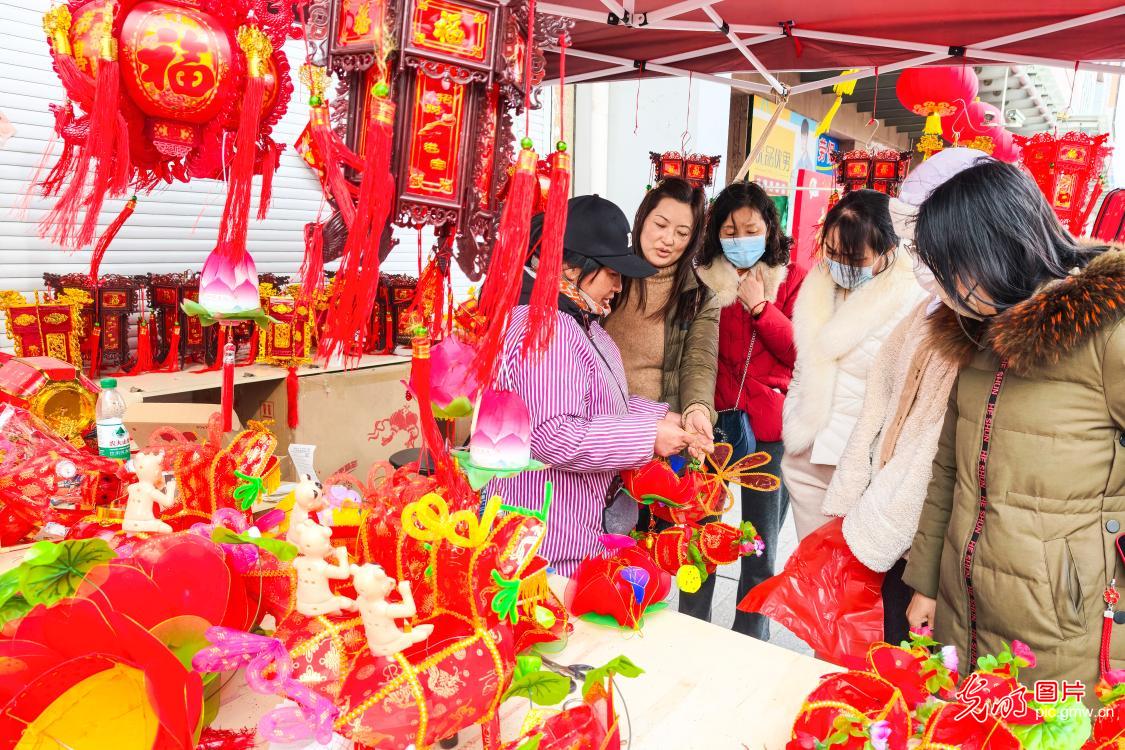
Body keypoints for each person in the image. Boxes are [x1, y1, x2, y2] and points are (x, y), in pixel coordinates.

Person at [903, 159, 1125, 698]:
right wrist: (926, 583)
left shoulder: (1108, 333)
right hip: (965, 603)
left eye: (954, 266)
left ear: (995, 249)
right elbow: (948, 471)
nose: (948, 285)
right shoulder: (978, 334)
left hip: (1061, 626)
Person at [489, 195, 706, 577]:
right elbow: (552, 434)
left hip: (576, 534)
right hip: (547, 545)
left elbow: (597, 402)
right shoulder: (545, 330)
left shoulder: (581, 324)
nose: (619, 286)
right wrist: (648, 436)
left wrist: (665, 418)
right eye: (612, 273)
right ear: (571, 268)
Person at [820, 149, 987, 645]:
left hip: (924, 533)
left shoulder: (972, 320)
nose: (920, 260)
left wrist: (926, 577)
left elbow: (938, 457)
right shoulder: (932, 308)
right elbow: (885, 402)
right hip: (889, 506)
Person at [689, 180, 807, 638]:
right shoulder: (703, 278)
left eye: (751, 229)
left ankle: (750, 640)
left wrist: (760, 306)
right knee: (701, 538)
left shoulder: (791, 279)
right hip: (710, 427)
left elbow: (801, 352)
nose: (740, 239)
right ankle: (691, 631)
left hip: (769, 430)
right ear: (716, 232)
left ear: (770, 229)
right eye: (730, 230)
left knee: (760, 548)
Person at [782, 189, 925, 541]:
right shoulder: (817, 285)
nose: (839, 265)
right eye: (831, 253)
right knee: (812, 564)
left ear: (888, 249)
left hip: (862, 467)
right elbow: (804, 366)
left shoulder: (912, 300)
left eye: (854, 257)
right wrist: (794, 420)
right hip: (806, 457)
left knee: (854, 569)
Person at [605, 177, 719, 457]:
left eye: (682, 233)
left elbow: (699, 362)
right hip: (602, 428)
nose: (668, 240)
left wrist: (697, 409)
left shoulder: (699, 297)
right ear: (642, 219)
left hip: (659, 435)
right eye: (660, 225)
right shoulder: (607, 276)